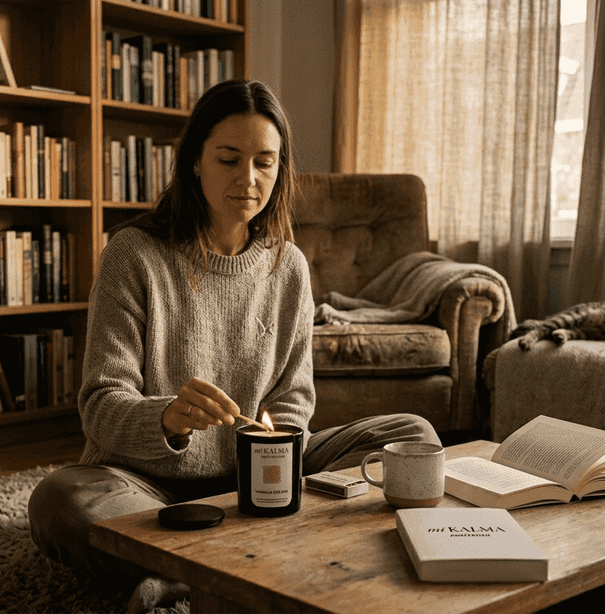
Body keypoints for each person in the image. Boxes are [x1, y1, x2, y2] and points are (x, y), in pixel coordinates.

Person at [27, 79, 439, 613]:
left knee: (410, 436)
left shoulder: (287, 265)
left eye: (265, 162)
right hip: (146, 483)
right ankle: (234, 561)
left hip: (260, 479)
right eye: (229, 159)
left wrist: (277, 454)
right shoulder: (133, 255)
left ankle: (186, 566)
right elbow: (100, 406)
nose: (248, 179)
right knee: (59, 501)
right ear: (196, 161)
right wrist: (168, 418)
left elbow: (294, 396)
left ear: (280, 170)